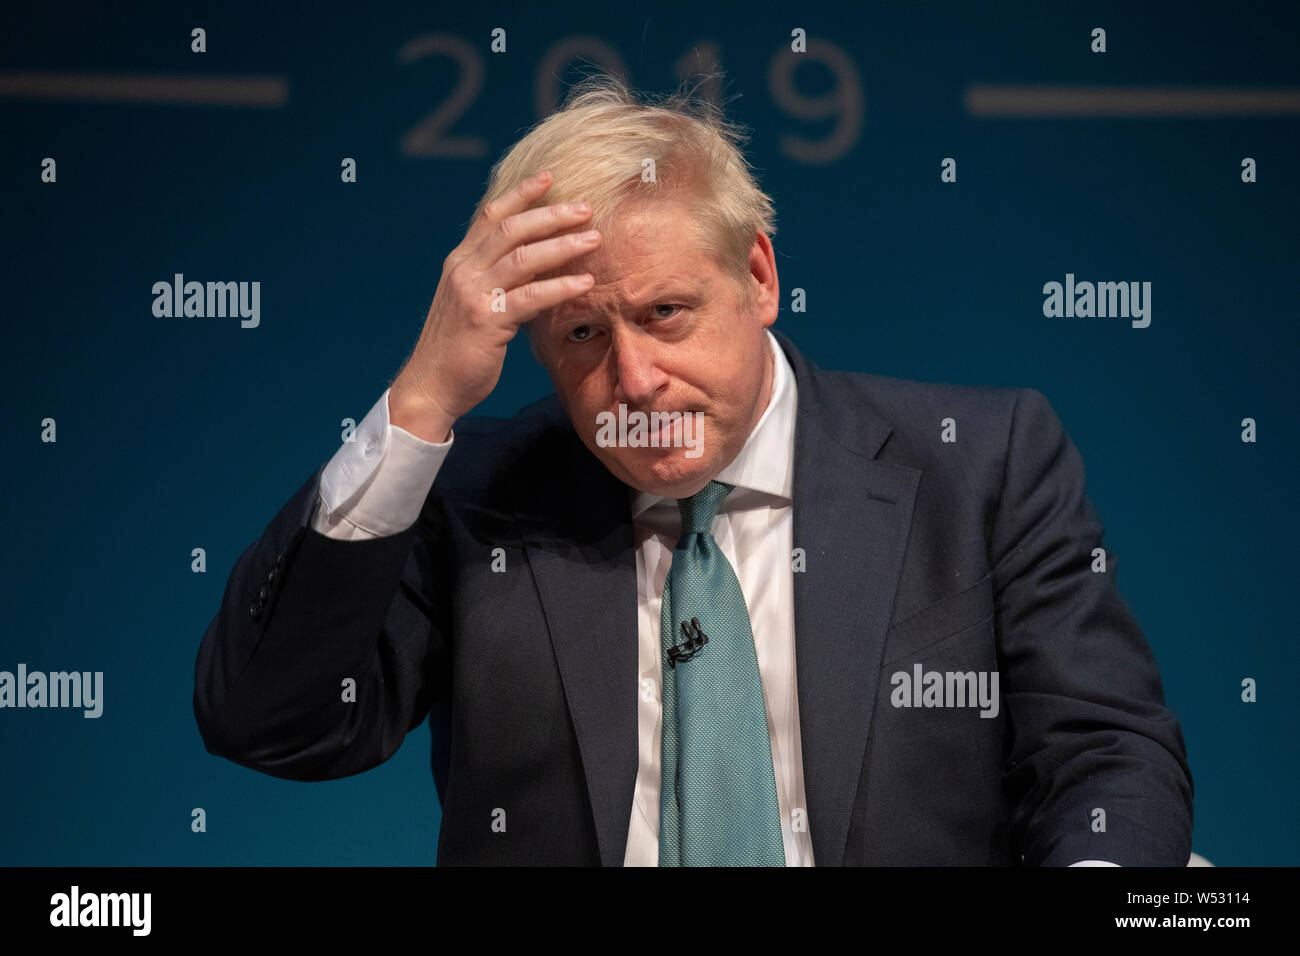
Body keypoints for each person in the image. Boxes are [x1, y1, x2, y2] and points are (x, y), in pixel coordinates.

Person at [193, 74, 1193, 866]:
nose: (632, 376)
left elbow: (1104, 750)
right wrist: (418, 404)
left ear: (757, 276)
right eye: (581, 331)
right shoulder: (475, 503)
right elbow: (268, 720)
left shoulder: (980, 466)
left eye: (666, 312)